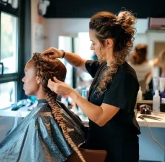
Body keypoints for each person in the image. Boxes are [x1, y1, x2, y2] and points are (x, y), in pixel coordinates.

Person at [42, 10, 141, 162]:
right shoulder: (105, 66)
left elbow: (101, 117)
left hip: (118, 150)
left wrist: (71, 92)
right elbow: (80, 62)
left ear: (108, 42)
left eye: (93, 42)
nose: (91, 47)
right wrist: (62, 54)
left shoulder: (124, 76)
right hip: (100, 144)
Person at [0, 53, 86, 162]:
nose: (23, 79)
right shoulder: (57, 110)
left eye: (26, 74)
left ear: (38, 78)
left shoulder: (39, 118)